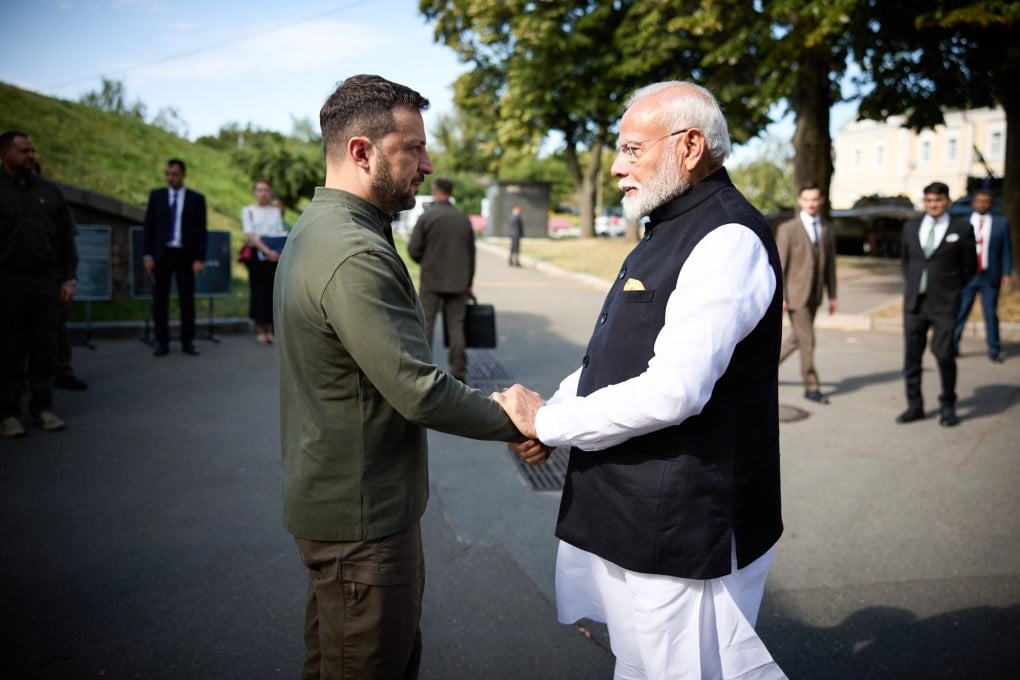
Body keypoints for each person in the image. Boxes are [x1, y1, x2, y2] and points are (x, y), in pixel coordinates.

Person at [493, 81, 786, 679]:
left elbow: (674, 390)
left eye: (632, 150)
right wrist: (553, 413)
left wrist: (547, 421)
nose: (619, 169)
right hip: (636, 513)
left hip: (682, 522)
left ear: (690, 146)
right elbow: (615, 357)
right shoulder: (670, 224)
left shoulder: (726, 236)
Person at [273, 74, 536, 680]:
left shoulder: (324, 228)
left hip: (340, 501)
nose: (427, 162)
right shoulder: (354, 252)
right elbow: (418, 388)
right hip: (362, 521)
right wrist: (517, 418)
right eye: (412, 148)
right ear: (362, 152)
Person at [0, 131, 78, 437]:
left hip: (45, 281)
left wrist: (68, 278)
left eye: (32, 150)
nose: (30, 155)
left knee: (45, 347)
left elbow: (65, 242)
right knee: (9, 348)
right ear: (5, 154)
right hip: (7, 281)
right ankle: (8, 413)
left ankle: (43, 408)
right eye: (23, 151)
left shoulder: (49, 192)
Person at [897, 181, 976, 427]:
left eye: (938, 200)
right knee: (912, 359)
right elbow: (905, 262)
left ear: (948, 202)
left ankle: (948, 406)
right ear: (925, 202)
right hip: (914, 304)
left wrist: (951, 289)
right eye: (929, 200)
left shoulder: (961, 228)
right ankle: (915, 405)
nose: (933, 205)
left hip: (944, 304)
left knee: (944, 355)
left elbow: (969, 267)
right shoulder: (911, 227)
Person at [775, 181, 837, 404]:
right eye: (806, 199)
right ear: (800, 201)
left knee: (796, 339)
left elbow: (830, 265)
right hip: (795, 295)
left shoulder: (827, 229)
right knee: (808, 340)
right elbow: (779, 266)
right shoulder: (788, 230)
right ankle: (812, 386)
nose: (811, 203)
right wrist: (780, 296)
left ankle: (762, 369)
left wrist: (832, 296)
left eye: (814, 199)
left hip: (816, 294)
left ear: (820, 201)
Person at [407, 177, 476, 382]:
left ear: (436, 192)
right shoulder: (462, 219)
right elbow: (471, 254)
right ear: (451, 192)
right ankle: (459, 372)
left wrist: (426, 262)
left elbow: (413, 249)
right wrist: (468, 282)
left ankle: (425, 370)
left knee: (426, 324)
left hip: (432, 279)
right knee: (457, 326)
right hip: (458, 281)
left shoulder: (428, 218)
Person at [143, 158, 207, 357]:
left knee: (187, 300)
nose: (170, 178)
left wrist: (199, 258)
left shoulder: (196, 199)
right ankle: (162, 342)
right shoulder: (157, 196)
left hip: (185, 255)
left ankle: (187, 341)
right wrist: (147, 255)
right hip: (162, 254)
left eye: (175, 175)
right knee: (159, 300)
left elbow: (201, 232)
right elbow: (149, 227)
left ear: (183, 175)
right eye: (168, 174)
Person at [952, 188, 1013, 363]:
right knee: (961, 311)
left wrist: (1006, 273)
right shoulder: (963, 223)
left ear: (991, 203)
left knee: (990, 313)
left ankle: (994, 349)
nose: (982, 204)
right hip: (968, 277)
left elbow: (1006, 251)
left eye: (986, 201)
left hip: (990, 275)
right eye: (979, 201)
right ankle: (953, 346)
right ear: (973, 203)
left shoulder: (1001, 223)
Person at [241, 179, 286, 345]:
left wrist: (277, 252)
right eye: (259, 190)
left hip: (274, 256)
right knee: (259, 292)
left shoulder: (275, 211)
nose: (263, 193)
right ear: (255, 192)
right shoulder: (249, 211)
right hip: (258, 256)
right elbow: (250, 235)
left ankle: (271, 329)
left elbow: (278, 231)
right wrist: (266, 251)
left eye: (266, 190)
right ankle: (261, 329)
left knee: (272, 292)